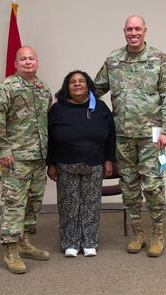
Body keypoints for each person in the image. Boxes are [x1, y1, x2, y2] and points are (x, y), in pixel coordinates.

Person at [94, 15, 166, 257]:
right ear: (124, 32)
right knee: (129, 185)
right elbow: (97, 88)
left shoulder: (159, 59)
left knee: (152, 185)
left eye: (137, 29)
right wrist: (70, 98)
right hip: (123, 135)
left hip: (152, 136)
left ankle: (157, 233)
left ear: (145, 31)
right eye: (129, 29)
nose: (133, 32)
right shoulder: (113, 59)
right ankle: (137, 233)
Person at [0, 46, 53, 273]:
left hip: (38, 157)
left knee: (33, 203)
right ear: (16, 64)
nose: (28, 62)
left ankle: (25, 242)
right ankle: (10, 249)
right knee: (14, 204)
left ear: (37, 62)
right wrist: (3, 150)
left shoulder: (43, 88)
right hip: (15, 158)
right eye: (23, 59)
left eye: (31, 58)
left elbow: (48, 122)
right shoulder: (6, 86)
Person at [47, 70, 116, 257]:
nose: (77, 84)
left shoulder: (100, 107)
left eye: (81, 81)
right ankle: (70, 243)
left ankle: (89, 242)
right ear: (66, 87)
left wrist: (109, 160)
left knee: (91, 204)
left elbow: (111, 135)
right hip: (65, 164)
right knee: (68, 204)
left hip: (95, 164)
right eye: (72, 82)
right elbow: (49, 139)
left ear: (88, 85)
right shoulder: (57, 109)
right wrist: (50, 163)